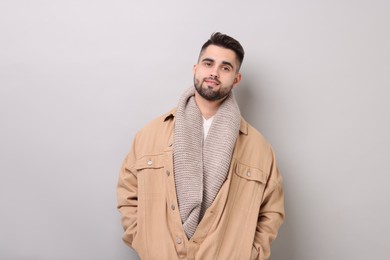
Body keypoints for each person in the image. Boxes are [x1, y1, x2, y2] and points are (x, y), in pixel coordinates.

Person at [117, 32, 285, 260]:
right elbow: (128, 193)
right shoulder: (150, 134)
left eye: (225, 68)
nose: (214, 72)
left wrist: (248, 253)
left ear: (236, 79)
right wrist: (144, 241)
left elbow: (271, 211)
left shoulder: (259, 148)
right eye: (208, 63)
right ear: (196, 68)